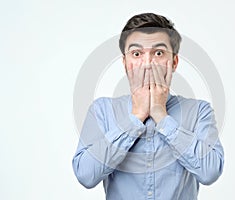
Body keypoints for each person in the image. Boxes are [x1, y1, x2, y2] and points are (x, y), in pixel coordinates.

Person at [72, 13, 224, 200]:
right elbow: (86, 175)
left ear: (174, 62)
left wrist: (161, 116)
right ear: (125, 63)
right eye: (136, 54)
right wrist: (136, 116)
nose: (147, 64)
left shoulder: (199, 111)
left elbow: (210, 172)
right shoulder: (102, 110)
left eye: (158, 53)